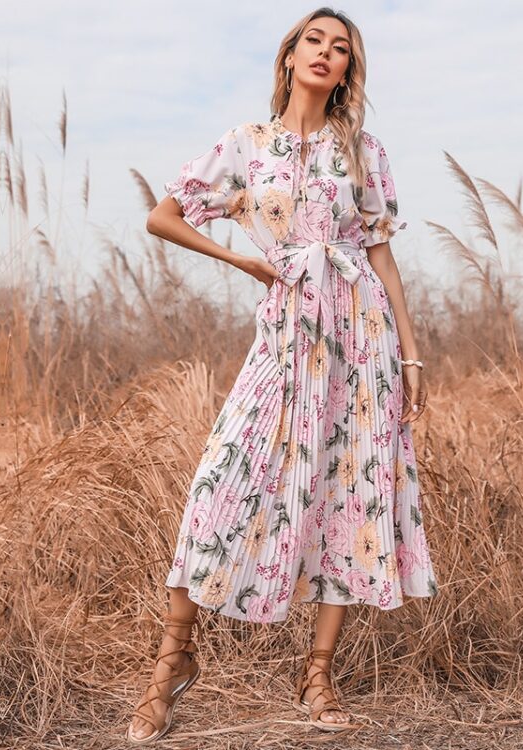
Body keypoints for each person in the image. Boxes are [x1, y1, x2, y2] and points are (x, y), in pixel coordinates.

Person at [126, 7, 439, 743]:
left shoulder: (364, 151)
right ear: (290, 55)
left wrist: (411, 354)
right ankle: (171, 663)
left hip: (362, 334)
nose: (326, 54)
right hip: (285, 328)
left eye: (341, 48)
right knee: (219, 482)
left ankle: (318, 674)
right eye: (315, 41)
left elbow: (382, 254)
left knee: (349, 490)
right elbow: (164, 217)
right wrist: (241, 259)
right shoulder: (247, 144)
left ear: (348, 70)